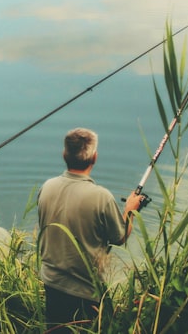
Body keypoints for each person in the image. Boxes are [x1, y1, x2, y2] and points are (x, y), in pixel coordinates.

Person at [37, 128, 145, 331]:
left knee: (56, 329)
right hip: (86, 289)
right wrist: (130, 211)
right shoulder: (101, 197)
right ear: (94, 157)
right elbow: (120, 236)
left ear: (64, 155)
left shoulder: (46, 187)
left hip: (51, 282)